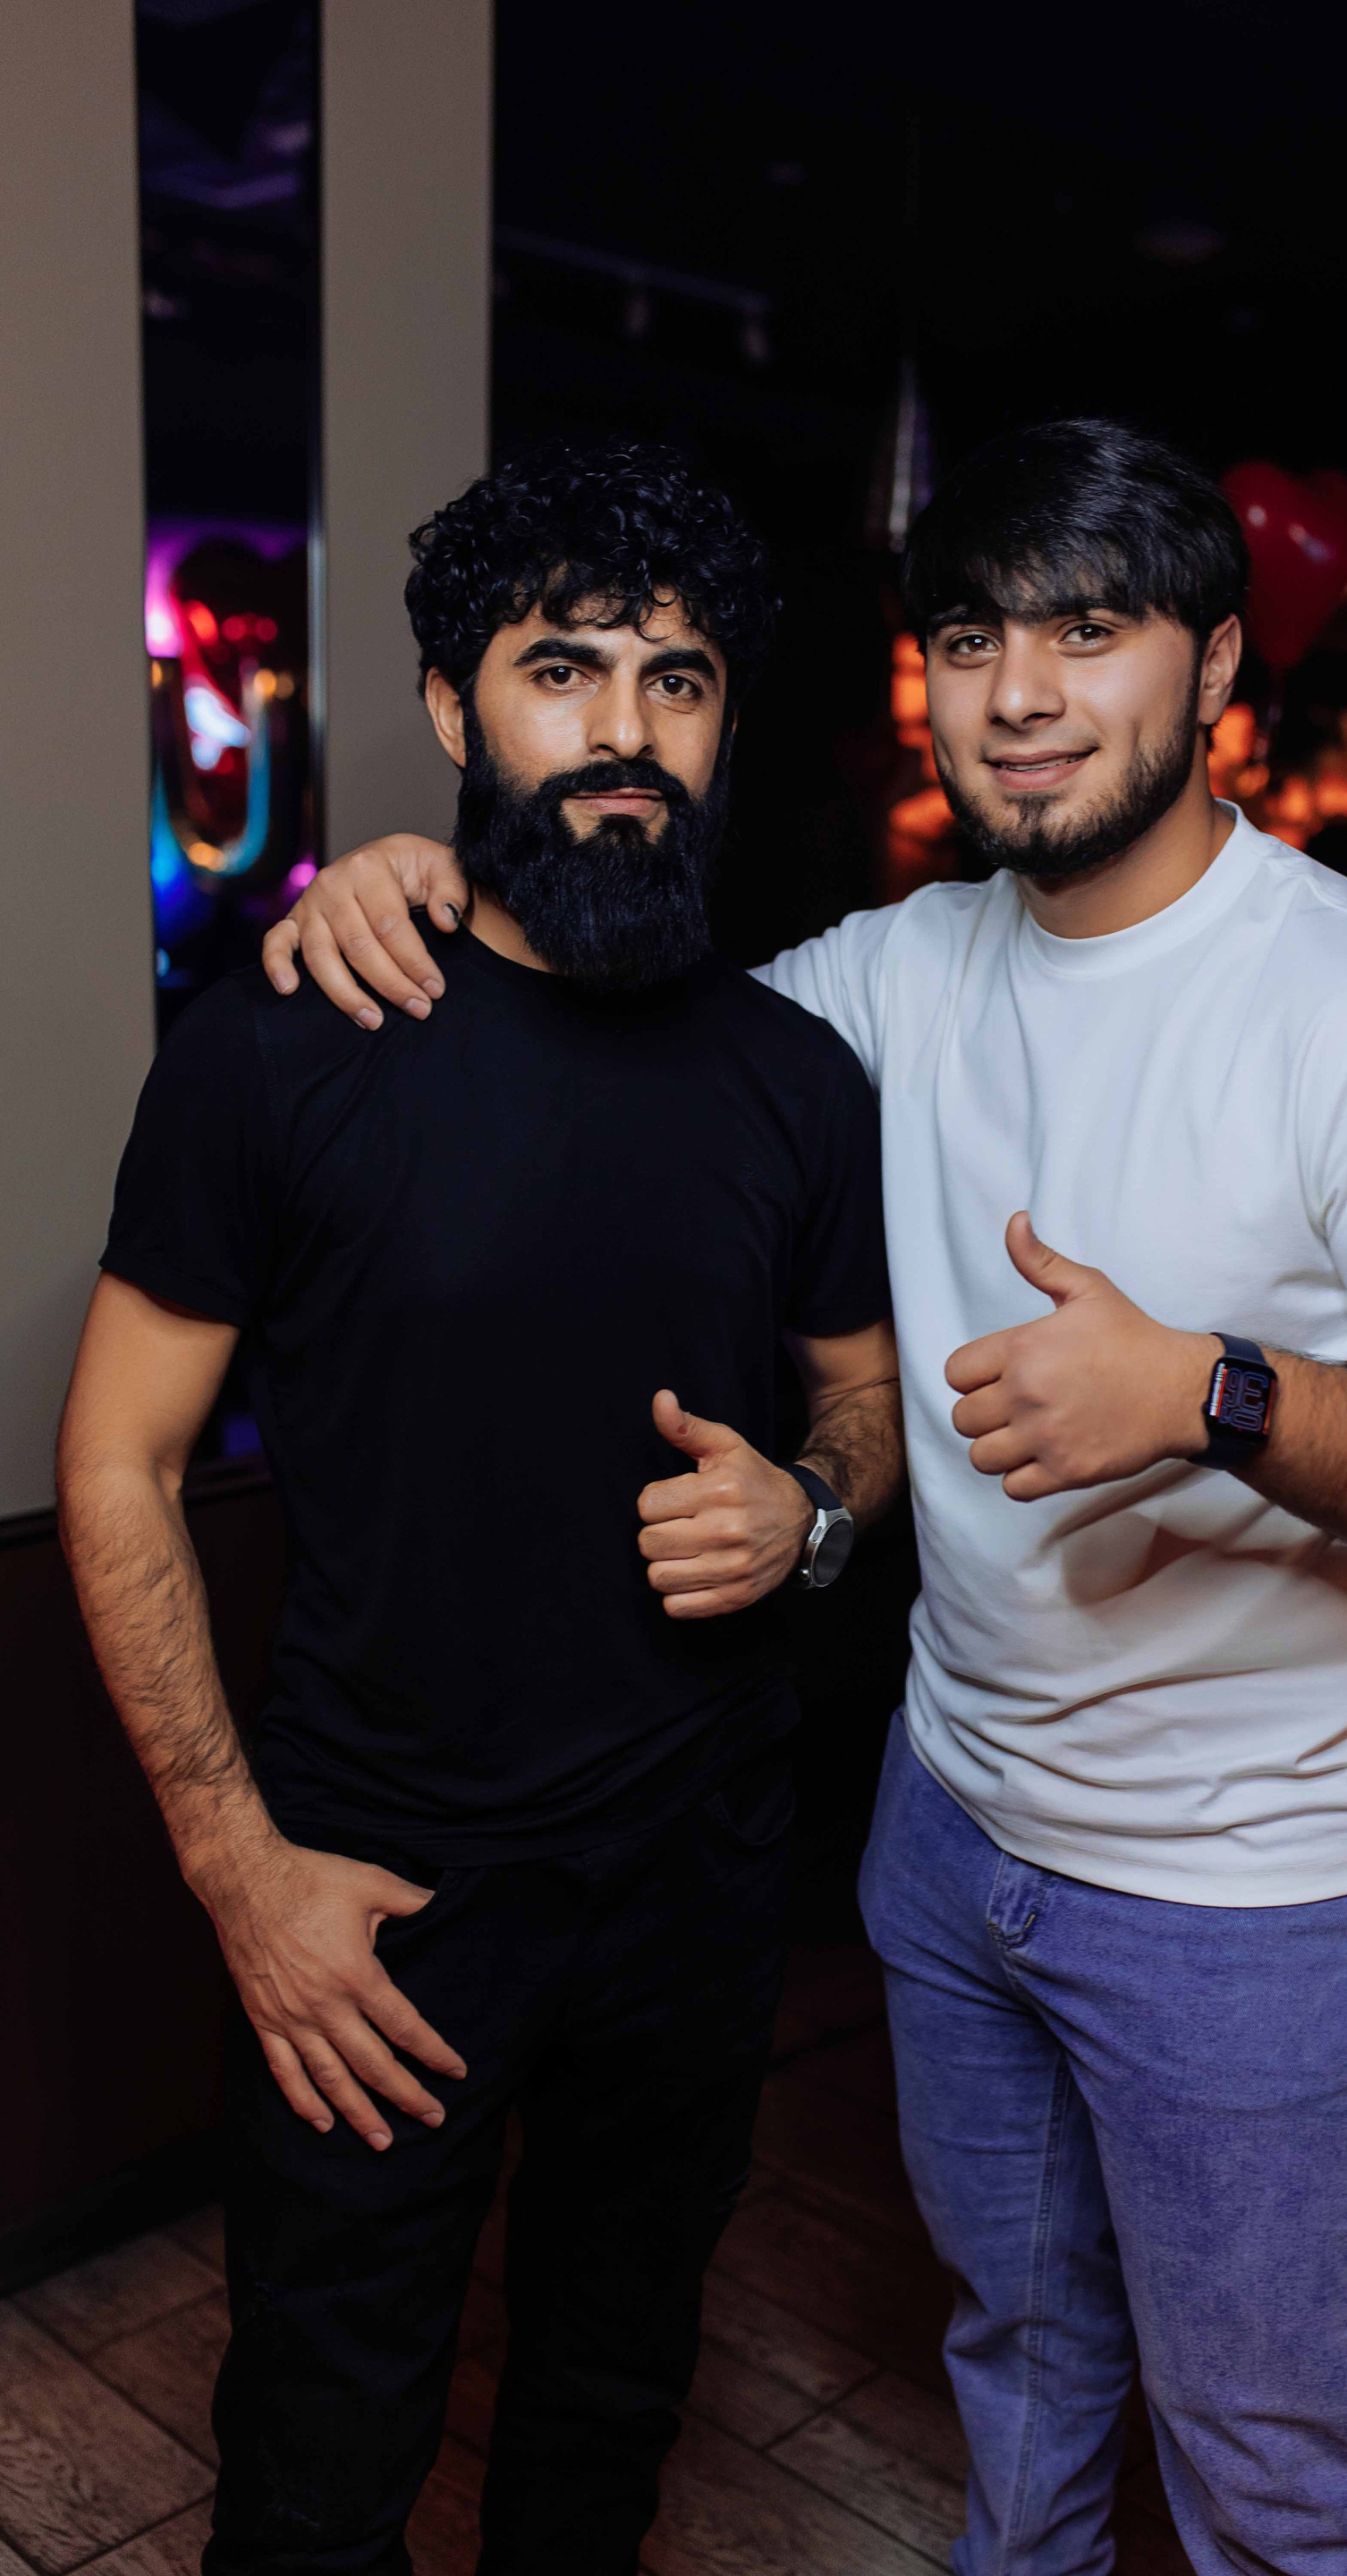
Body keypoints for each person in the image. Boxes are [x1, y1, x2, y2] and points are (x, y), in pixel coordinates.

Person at [266, 419, 1347, 2576]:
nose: (1019, 694)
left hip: (1262, 1894)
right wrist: (406, 877)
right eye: (974, 636)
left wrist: (1208, 1393)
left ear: (1215, 669)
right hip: (960, 1831)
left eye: (1091, 633)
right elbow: (620, 1033)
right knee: (1022, 2375)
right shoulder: (896, 975)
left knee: (1282, 2479)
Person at [57, 437, 902, 2576]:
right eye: (563, 669)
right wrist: (240, 1874)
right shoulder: (290, 1043)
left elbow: (866, 1406)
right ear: (453, 707)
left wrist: (808, 1511)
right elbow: (117, 1461)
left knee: (609, 2416)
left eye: (678, 680)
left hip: (699, 1887)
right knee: (321, 2470)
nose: (626, 732)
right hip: (382, 1901)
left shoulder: (797, 1079)